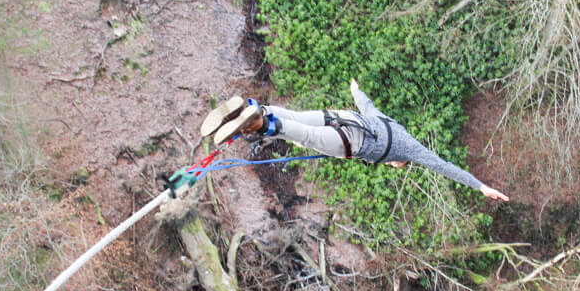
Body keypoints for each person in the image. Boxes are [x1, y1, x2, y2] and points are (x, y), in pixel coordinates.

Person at [201, 80, 510, 201]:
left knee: (294, 117)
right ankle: (257, 123)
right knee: (299, 133)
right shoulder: (410, 151)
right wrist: (480, 186)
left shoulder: (393, 124)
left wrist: (355, 91)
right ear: (399, 162)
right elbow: (444, 167)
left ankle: (254, 111)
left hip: (342, 115)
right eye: (395, 166)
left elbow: (368, 106)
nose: (392, 165)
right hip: (348, 140)